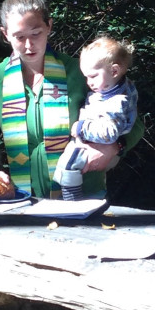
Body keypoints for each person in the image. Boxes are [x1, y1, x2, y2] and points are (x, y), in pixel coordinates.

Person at [0, 0, 143, 200]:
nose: (28, 45)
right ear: (5, 34)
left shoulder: (81, 72)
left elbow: (134, 122)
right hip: (23, 199)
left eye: (36, 33)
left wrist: (115, 147)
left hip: (85, 196)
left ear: (49, 26)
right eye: (19, 37)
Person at [53, 36, 138, 200]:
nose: (88, 83)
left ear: (114, 71)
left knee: (69, 164)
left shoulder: (116, 102)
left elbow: (109, 133)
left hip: (98, 142)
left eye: (92, 76)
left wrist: (80, 128)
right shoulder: (117, 86)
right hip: (96, 140)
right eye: (86, 77)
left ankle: (72, 200)